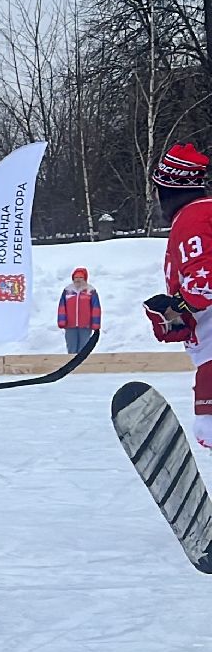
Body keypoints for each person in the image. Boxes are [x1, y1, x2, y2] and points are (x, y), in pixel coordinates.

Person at [145, 143, 212, 447]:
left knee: (209, 431)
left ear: (167, 190)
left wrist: (178, 306)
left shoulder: (193, 218)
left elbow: (205, 281)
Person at [57, 267, 102, 355]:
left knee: (84, 348)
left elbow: (96, 308)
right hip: (70, 325)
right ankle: (70, 367)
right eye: (76, 277)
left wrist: (96, 324)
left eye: (80, 277)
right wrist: (62, 321)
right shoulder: (67, 291)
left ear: (85, 279)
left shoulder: (90, 291)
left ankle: (82, 367)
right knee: (71, 348)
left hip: (85, 325)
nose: (78, 280)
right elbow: (62, 307)